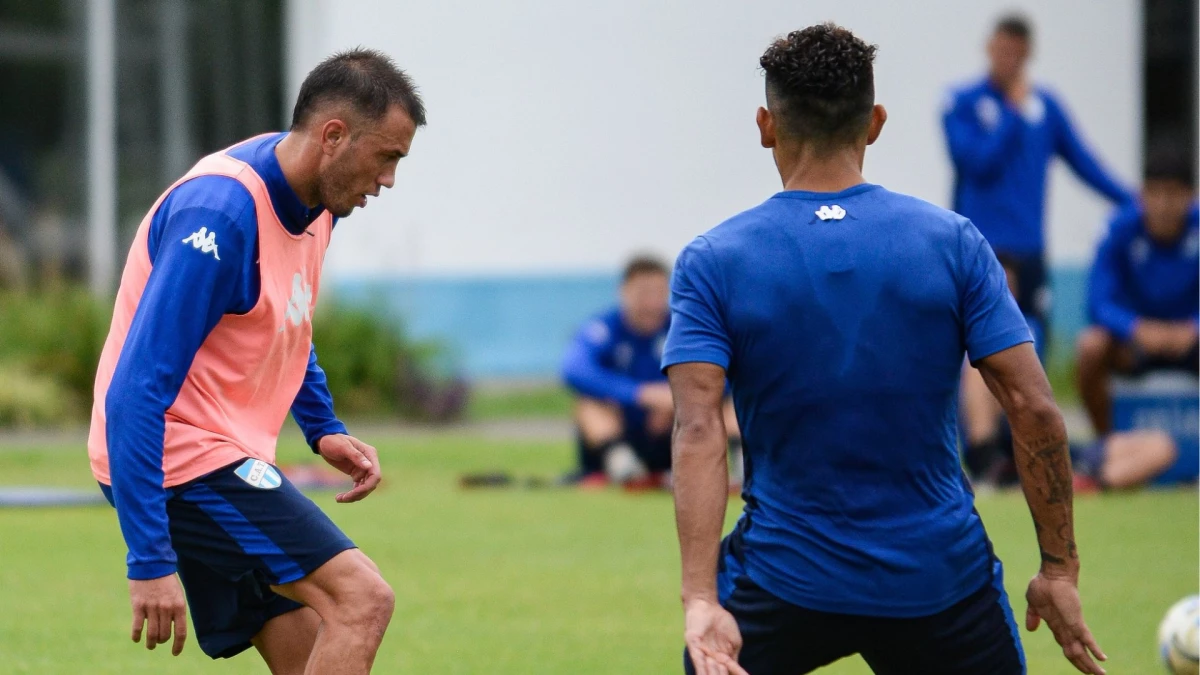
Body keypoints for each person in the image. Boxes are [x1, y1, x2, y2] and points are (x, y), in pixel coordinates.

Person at [664, 24, 1105, 675]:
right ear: (875, 122)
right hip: (940, 581)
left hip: (782, 581)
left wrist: (702, 598)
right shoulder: (952, 243)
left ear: (765, 124)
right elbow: (1034, 406)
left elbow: (698, 426)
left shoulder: (713, 261)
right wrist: (1058, 569)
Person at [87, 49, 425, 673]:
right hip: (176, 459)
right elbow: (136, 392)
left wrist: (322, 428)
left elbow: (288, 319)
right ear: (333, 137)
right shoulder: (219, 215)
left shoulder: (318, 200)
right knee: (361, 600)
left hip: (223, 454)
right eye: (387, 157)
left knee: (313, 651)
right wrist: (149, 560)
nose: (389, 181)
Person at [944, 13, 1134, 484]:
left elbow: (1083, 161)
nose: (1008, 59)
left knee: (1031, 348)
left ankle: (1018, 453)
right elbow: (976, 163)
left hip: (1031, 257)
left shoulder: (1045, 107)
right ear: (988, 48)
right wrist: (1011, 113)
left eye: (1017, 51)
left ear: (1027, 55)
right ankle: (981, 453)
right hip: (985, 255)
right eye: (1001, 48)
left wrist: (1137, 203)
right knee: (979, 353)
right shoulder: (963, 103)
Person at [1072, 150, 1198, 489]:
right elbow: (1097, 302)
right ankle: (1106, 450)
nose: (1164, 205)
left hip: (1191, 344)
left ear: (1191, 196)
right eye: (1155, 194)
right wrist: (1136, 328)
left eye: (1174, 194)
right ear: (1142, 195)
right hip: (1136, 345)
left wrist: (1193, 328)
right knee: (1091, 345)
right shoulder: (1120, 228)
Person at [562, 255, 740, 488]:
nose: (651, 303)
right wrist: (640, 395)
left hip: (675, 430)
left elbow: (727, 371)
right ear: (624, 291)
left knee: (730, 403)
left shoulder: (684, 328)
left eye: (659, 293)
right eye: (643, 293)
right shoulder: (604, 327)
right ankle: (625, 468)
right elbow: (574, 369)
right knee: (589, 405)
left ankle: (743, 467)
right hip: (624, 429)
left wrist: (680, 399)